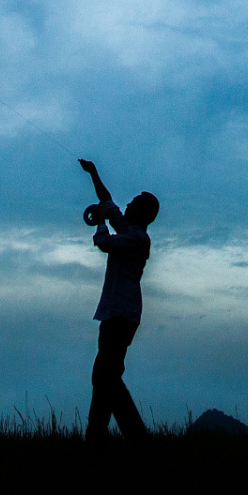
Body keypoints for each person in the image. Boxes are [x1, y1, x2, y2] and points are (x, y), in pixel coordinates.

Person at [79, 158, 158, 442]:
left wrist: (101, 222)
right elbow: (109, 202)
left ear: (142, 213)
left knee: (105, 377)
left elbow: (104, 243)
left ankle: (129, 434)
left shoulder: (138, 239)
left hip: (121, 316)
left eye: (133, 204)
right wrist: (94, 173)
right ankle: (100, 434)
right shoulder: (129, 231)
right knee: (105, 378)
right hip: (116, 314)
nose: (127, 205)